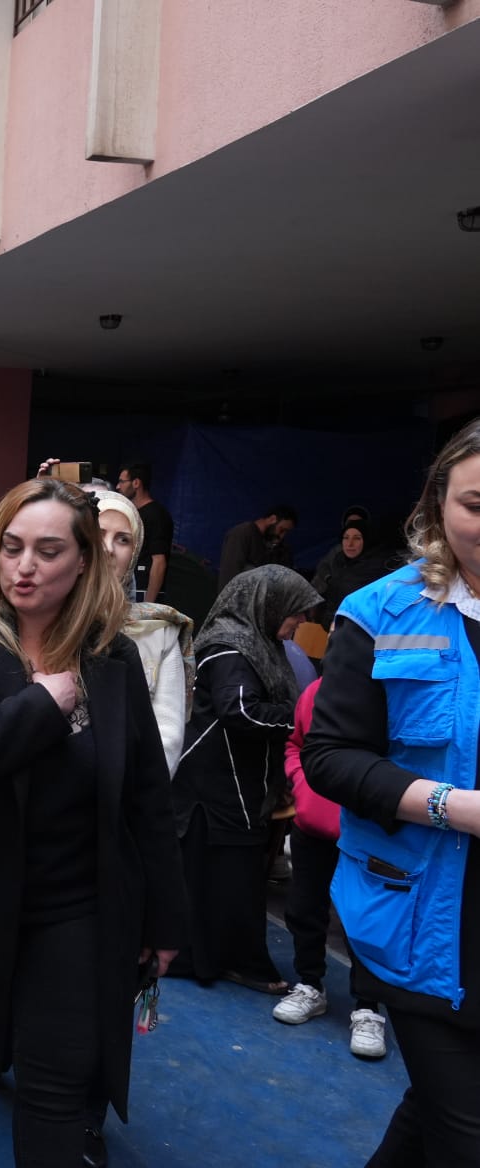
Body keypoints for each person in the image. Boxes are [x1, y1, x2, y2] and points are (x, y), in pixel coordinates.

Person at [0, 476, 185, 1166]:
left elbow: (145, 797)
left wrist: (165, 920)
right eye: (12, 547)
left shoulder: (111, 656)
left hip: (74, 909)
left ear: (84, 562)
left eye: (48, 552)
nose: (24, 567)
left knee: (57, 1091)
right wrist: (42, 705)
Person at [304, 418, 480, 1164]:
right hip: (421, 921)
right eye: (476, 504)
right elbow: (331, 757)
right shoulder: (380, 611)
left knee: (436, 1115)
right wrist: (453, 806)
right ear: (438, 502)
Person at [168, 565, 320, 994]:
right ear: (268, 605)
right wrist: (302, 719)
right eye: (296, 611)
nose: (302, 621)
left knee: (230, 879)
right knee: (219, 878)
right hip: (215, 784)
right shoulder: (230, 648)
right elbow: (241, 712)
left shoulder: (260, 644)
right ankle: (217, 960)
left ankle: (228, 959)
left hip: (236, 783)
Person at [274, 678, 387, 1058]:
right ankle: (310, 984)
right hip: (312, 828)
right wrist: (302, 785)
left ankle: (368, 1007)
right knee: (304, 908)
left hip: (369, 832)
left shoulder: (393, 695)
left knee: (366, 919)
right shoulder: (318, 692)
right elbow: (295, 744)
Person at [88, 488, 195, 780]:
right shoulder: (43, 616)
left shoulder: (158, 632)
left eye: (123, 539)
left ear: (135, 554)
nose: (108, 548)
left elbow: (166, 739)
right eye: (98, 533)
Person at [311, 516, 388, 630]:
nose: (350, 544)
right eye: (346, 538)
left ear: (367, 540)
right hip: (333, 628)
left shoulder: (376, 567)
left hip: (358, 631)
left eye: (357, 538)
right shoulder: (338, 561)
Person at [115, 461, 173, 603]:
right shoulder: (132, 513)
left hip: (143, 592)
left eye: (122, 481)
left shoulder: (156, 515)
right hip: (127, 590)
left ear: (136, 483)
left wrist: (149, 604)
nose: (117, 486)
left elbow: (159, 562)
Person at [217, 504, 298, 590]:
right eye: (281, 530)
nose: (282, 536)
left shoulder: (281, 546)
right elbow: (230, 572)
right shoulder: (243, 533)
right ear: (272, 519)